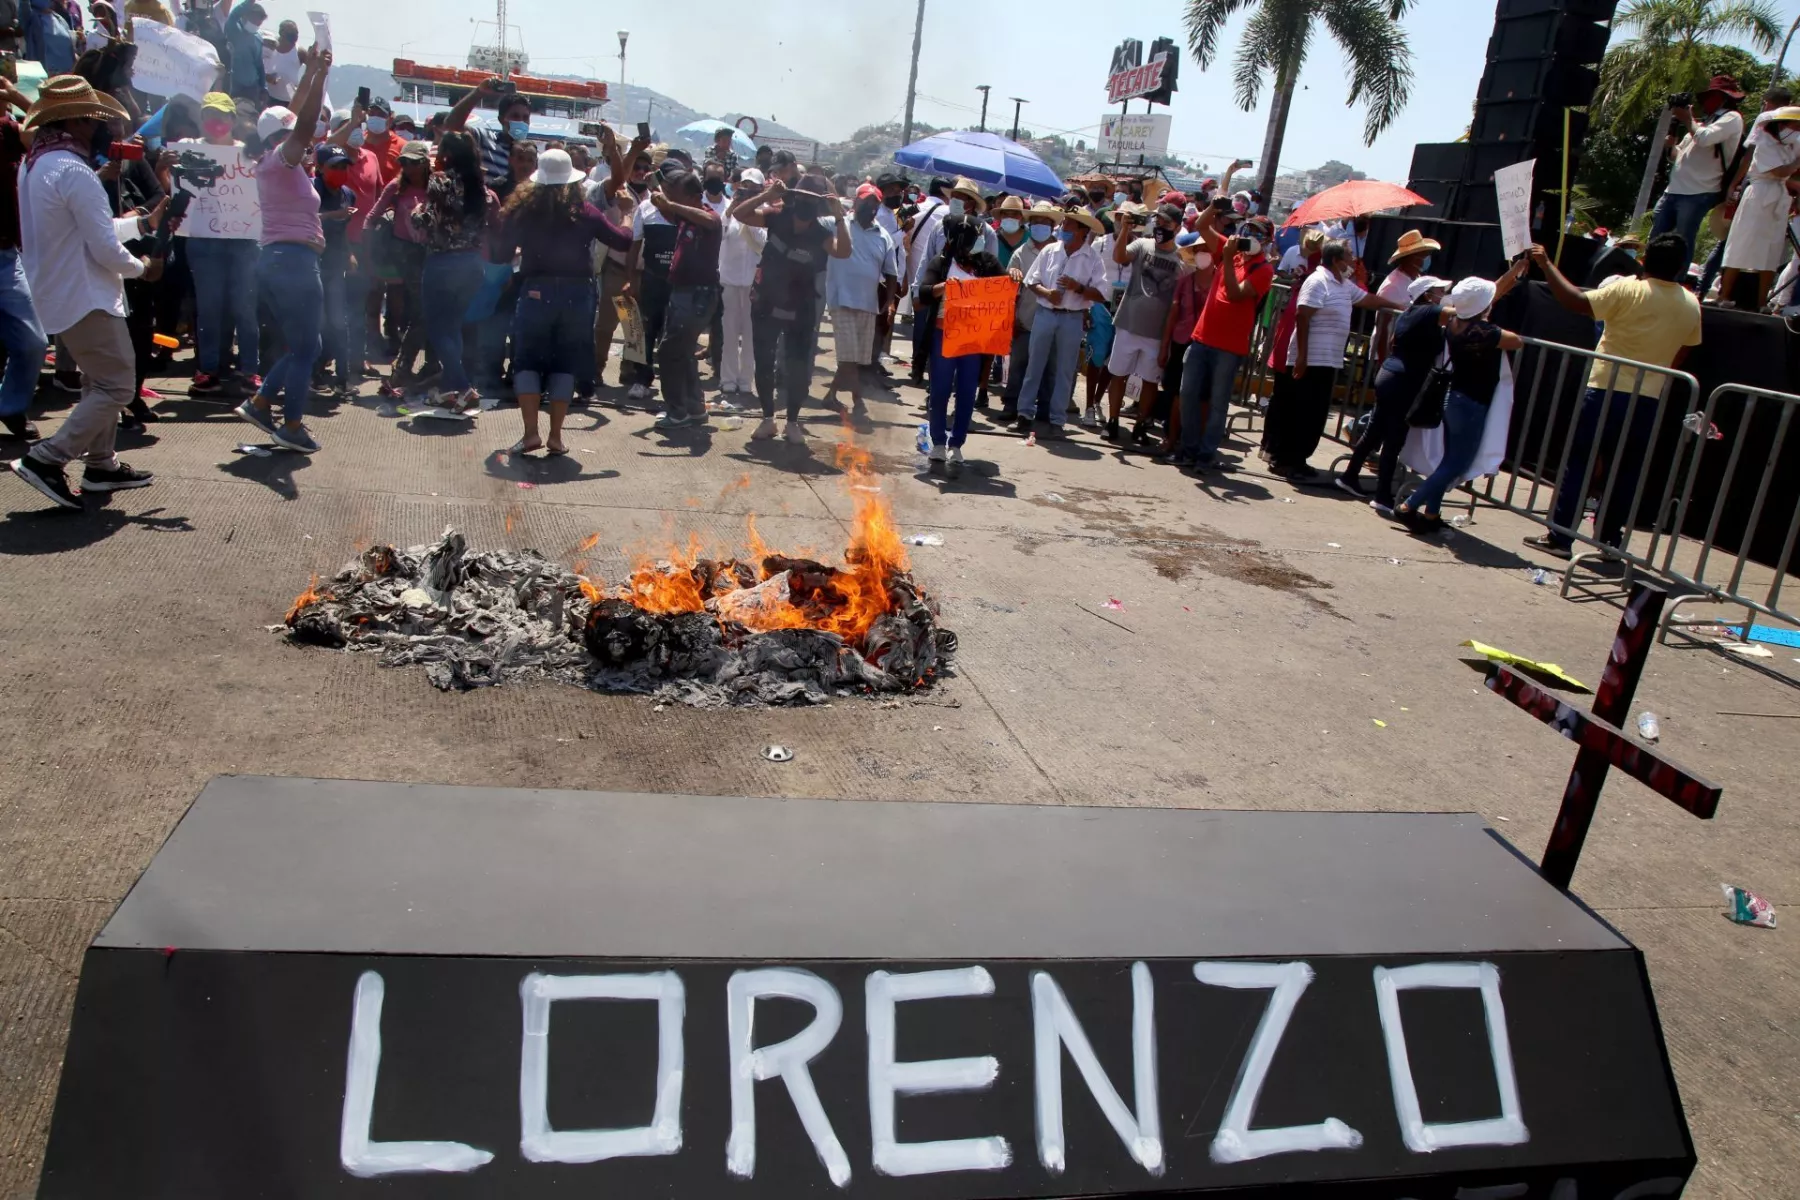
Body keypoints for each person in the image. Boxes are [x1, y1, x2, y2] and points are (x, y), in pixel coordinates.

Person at [7, 75, 164, 509]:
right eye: (98, 120)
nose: (106, 129)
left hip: (62, 291)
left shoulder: (37, 164)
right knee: (117, 385)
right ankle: (47, 458)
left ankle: (101, 465)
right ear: (76, 121)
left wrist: (143, 224)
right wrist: (141, 267)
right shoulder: (74, 171)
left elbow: (90, 230)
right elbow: (104, 248)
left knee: (99, 381)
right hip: (85, 293)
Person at [1522, 235, 1702, 559]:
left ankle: (1560, 537)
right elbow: (1687, 349)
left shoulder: (1627, 289)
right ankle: (1609, 541)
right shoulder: (1691, 303)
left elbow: (1576, 301)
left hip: (1605, 387)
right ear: (1680, 267)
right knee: (1626, 470)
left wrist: (1546, 265)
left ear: (1644, 261)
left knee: (1581, 463)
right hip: (1647, 398)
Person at [493, 145, 631, 452]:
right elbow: (622, 239)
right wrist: (628, 214)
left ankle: (531, 433)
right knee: (564, 363)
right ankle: (555, 436)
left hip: (535, 290)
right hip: (576, 294)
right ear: (572, 180)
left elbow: (501, 254)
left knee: (526, 360)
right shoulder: (585, 211)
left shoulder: (522, 210)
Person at [235, 49, 331, 453]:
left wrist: (309, 71)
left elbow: (290, 116)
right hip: (293, 265)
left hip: (282, 262)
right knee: (307, 349)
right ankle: (290, 426)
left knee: (306, 346)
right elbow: (303, 122)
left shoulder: (272, 161)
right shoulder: (281, 161)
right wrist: (322, 76)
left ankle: (260, 403)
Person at [1396, 269, 1527, 532]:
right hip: (1471, 404)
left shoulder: (1455, 325)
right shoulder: (1483, 331)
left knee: (1449, 460)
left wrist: (1512, 274)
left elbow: (1481, 308)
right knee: (1457, 463)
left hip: (1454, 398)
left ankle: (1432, 513)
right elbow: (1517, 341)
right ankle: (1409, 505)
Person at [1262, 240, 1405, 481]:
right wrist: (1302, 358)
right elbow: (1303, 316)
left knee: (1314, 413)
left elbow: (1367, 299)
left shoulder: (1343, 284)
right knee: (1298, 411)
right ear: (1337, 261)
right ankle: (1283, 460)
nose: (1352, 260)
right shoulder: (1318, 281)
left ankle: (1299, 459)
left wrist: (1399, 306)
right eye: (1349, 256)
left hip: (1328, 360)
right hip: (1311, 359)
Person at [729, 171, 850, 442]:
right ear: (795, 197)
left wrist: (839, 215)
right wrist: (768, 195)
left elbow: (843, 251)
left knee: (797, 367)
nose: (806, 205)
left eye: (813, 200)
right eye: (803, 197)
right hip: (766, 303)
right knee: (764, 361)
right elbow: (740, 214)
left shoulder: (821, 233)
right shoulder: (775, 216)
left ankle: (792, 422)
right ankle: (767, 419)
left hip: (801, 307)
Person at [1166, 201, 1277, 470]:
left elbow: (1236, 292)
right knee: (1188, 393)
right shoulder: (1232, 250)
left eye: (1257, 233)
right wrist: (1215, 206)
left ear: (1266, 240)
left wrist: (1226, 259)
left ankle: (1206, 454)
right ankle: (1190, 447)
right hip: (1202, 337)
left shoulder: (1263, 269)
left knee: (1217, 403)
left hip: (1229, 346)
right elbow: (1201, 226)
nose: (1250, 236)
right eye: (1248, 230)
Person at [1337, 274, 1449, 512]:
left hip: (1392, 375)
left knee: (1375, 432)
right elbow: (1459, 313)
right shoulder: (1426, 312)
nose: (1443, 296)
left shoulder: (1411, 314)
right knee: (1393, 440)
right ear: (1427, 295)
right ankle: (1382, 495)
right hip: (1403, 382)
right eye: (1440, 291)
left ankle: (1349, 476)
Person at [409, 128, 494, 414]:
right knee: (453, 327)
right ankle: (448, 390)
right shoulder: (481, 186)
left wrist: (415, 211)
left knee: (437, 327)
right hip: (472, 264)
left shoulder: (440, 181)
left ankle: (464, 387)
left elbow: (426, 220)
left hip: (443, 263)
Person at [184, 90, 261, 397]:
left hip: (243, 240)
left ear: (233, 119)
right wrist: (167, 166)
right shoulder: (189, 150)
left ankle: (250, 370)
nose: (217, 121)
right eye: (210, 115)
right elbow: (175, 191)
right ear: (202, 118)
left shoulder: (247, 153)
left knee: (245, 307)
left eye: (223, 115)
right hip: (204, 240)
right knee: (210, 307)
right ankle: (209, 369)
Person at [918, 212, 1003, 476]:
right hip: (944, 334)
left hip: (973, 338)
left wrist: (1013, 276)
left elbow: (1004, 290)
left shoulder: (987, 264)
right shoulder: (941, 262)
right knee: (940, 391)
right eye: (971, 239)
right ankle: (939, 443)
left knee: (967, 392)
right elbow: (922, 294)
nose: (977, 243)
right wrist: (942, 287)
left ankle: (957, 443)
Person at [1014, 207, 1107, 436]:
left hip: (1072, 317)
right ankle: (1024, 413)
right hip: (1045, 313)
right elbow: (1031, 281)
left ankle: (1057, 419)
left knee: (1065, 369)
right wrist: (1047, 294)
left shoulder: (1092, 258)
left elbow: (1102, 293)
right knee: (1035, 364)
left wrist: (1079, 288)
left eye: (1069, 224)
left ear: (1082, 231)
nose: (1063, 227)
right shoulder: (1050, 251)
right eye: (1064, 223)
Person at [1102, 202, 1190, 442]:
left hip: (1157, 332)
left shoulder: (1182, 257)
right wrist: (1124, 231)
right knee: (1118, 373)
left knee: (1150, 380)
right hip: (1129, 322)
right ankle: (1112, 421)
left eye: (1167, 224)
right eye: (1158, 222)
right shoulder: (1142, 244)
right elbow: (1119, 256)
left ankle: (1141, 425)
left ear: (1178, 227)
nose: (1161, 227)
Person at [645, 167, 721, 429]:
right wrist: (655, 186)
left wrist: (672, 204)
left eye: (674, 195)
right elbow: (666, 206)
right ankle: (694, 407)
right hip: (684, 294)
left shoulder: (707, 216)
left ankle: (677, 411)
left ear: (690, 196)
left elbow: (711, 222)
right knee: (684, 352)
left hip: (697, 295)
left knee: (669, 353)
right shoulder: (683, 216)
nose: (669, 199)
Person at [1650, 75, 1746, 263]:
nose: (1708, 101)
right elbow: (1677, 156)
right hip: (1673, 190)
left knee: (1682, 242)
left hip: (1699, 192)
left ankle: (1676, 283)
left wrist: (1687, 119)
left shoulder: (1732, 118)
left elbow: (1705, 138)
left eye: (1713, 96)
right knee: (1656, 239)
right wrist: (1671, 146)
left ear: (1724, 97)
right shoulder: (1701, 123)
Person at [0, 76, 47, 443]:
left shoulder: (5, 130)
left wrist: (15, 95)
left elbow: (40, 133)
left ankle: (11, 406)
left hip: (4, 253)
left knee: (32, 341)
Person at [822, 181, 896, 415]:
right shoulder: (838, 224)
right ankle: (857, 401)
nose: (871, 206)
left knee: (855, 358)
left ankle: (831, 395)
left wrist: (889, 301)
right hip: (841, 299)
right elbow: (814, 224)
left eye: (875, 203)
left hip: (867, 304)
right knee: (848, 355)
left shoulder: (883, 235)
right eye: (866, 201)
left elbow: (891, 272)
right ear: (856, 201)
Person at [1717, 105, 1800, 311]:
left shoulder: (1792, 145)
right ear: (1783, 125)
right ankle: (1724, 296)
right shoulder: (1764, 142)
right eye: (1796, 126)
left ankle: (1762, 302)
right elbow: (1780, 171)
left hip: (1779, 199)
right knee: (1741, 245)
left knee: (1772, 250)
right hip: (1759, 194)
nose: (1797, 131)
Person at [366, 139, 432, 396]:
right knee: (421, 311)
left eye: (414, 162)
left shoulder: (436, 185)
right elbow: (371, 219)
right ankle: (404, 366)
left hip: (432, 252)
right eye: (404, 162)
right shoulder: (397, 186)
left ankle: (423, 365)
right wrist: (370, 256)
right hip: (405, 253)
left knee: (425, 312)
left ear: (425, 163)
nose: (409, 167)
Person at [999, 200, 1057, 421]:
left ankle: (1044, 409)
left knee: (1049, 368)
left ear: (1052, 226)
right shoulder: (1020, 254)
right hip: (1025, 318)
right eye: (1035, 222)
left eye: (1044, 222)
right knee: (1018, 365)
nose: (1039, 226)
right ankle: (1011, 405)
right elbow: (1010, 290)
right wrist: (1012, 317)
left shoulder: (1060, 252)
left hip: (1051, 319)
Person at [716, 166, 766, 399]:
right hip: (729, 279)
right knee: (728, 333)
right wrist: (733, 207)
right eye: (745, 187)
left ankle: (746, 381)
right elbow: (720, 232)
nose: (748, 192)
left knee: (751, 335)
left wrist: (752, 210)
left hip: (753, 285)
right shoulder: (728, 209)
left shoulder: (765, 213)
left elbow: (761, 242)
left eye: (753, 189)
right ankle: (727, 379)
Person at [313, 142, 358, 396]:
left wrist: (350, 253)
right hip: (312, 262)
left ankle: (342, 379)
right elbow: (304, 219)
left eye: (344, 166)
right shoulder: (310, 190)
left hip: (335, 264)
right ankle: (315, 373)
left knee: (339, 322)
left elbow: (342, 231)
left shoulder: (347, 194)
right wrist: (334, 215)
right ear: (320, 168)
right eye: (335, 167)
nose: (341, 171)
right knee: (316, 322)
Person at [444, 77, 532, 196]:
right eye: (515, 116)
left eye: (525, 117)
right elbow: (451, 124)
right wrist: (479, 92)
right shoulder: (485, 139)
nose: (521, 121)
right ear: (501, 120)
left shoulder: (532, 155)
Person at [1371, 229, 1441, 362]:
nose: (1427, 258)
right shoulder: (1392, 286)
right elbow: (1382, 326)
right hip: (1388, 355)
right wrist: (1383, 360)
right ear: (1411, 257)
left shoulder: (1416, 278)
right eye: (1424, 255)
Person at [221, 2, 266, 102]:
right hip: (232, 85)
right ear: (245, 15)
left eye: (259, 24)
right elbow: (234, 14)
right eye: (254, 21)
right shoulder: (234, 29)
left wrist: (263, 88)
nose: (256, 25)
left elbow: (259, 65)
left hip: (251, 89)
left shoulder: (258, 38)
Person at [24, 0, 77, 76]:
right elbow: (23, 5)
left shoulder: (60, 19)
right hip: (44, 77)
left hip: (67, 76)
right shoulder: (31, 18)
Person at [260, 18, 300, 105]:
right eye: (290, 35)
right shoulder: (269, 46)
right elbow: (258, 68)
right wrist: (267, 77)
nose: (293, 38)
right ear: (281, 33)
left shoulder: (300, 51)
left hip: (289, 100)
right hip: (268, 96)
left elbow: (313, 68)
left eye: (295, 35)